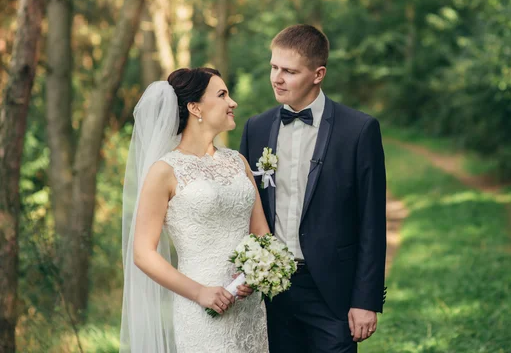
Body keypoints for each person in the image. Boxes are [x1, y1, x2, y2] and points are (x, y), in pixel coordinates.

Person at [240, 24, 387, 353]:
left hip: (332, 291)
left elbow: (372, 223)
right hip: (272, 292)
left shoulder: (359, 130)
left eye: (289, 71)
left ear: (318, 74)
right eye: (274, 67)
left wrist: (366, 300)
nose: (277, 78)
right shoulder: (256, 128)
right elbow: (249, 208)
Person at [120, 67, 271, 352]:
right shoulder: (164, 171)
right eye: (222, 94)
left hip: (248, 305)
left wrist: (253, 276)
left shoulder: (238, 162)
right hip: (200, 307)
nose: (232, 102)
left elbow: (262, 234)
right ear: (194, 107)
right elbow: (142, 253)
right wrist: (200, 292)